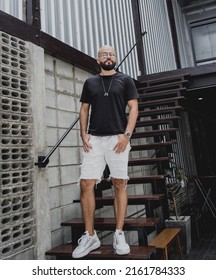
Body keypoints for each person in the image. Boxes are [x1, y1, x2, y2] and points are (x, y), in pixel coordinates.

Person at [72, 45, 139, 259]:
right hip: (95, 140)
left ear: (115, 58)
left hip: (118, 138)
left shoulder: (125, 80)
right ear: (97, 59)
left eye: (111, 54)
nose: (108, 57)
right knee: (86, 183)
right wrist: (83, 133)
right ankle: (91, 236)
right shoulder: (90, 82)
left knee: (119, 183)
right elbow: (84, 109)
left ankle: (119, 234)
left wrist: (127, 135)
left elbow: (134, 108)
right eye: (104, 54)